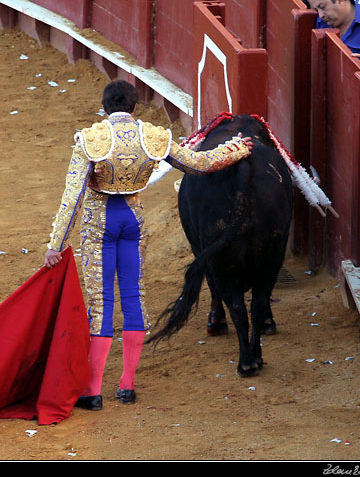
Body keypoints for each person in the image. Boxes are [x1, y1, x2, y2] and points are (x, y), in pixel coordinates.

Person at [44, 80, 254, 409]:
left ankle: (94, 391)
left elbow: (71, 198)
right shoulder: (153, 137)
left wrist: (55, 244)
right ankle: (127, 386)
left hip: (100, 223)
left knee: (101, 304)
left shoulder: (91, 138)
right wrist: (237, 149)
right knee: (133, 297)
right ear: (135, 108)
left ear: (104, 107)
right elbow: (200, 164)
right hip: (133, 220)